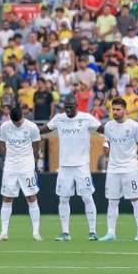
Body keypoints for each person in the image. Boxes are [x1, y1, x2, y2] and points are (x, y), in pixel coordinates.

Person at [43, 95, 100, 241]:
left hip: (82, 166)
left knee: (87, 197)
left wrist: (111, 140)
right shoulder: (59, 118)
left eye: (71, 107)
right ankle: (65, 233)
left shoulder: (86, 118)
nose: (68, 109)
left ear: (76, 105)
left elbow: (104, 129)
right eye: (66, 107)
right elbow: (44, 129)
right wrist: (28, 129)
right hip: (64, 167)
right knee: (63, 199)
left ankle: (93, 231)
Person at [100, 97, 138, 242]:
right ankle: (111, 233)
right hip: (113, 169)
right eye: (113, 109)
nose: (115, 112)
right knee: (112, 201)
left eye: (118, 109)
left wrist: (134, 159)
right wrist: (106, 148)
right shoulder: (108, 126)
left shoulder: (134, 126)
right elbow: (107, 142)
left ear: (125, 110)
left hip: (129, 168)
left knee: (135, 199)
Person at [0, 105, 41, 241]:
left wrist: (31, 160)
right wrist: (8, 155)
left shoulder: (32, 127)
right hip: (10, 166)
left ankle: (36, 232)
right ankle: (4, 232)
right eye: (15, 122)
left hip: (26, 165)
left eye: (19, 122)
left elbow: (36, 146)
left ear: (23, 116)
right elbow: (0, 142)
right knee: (7, 197)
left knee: (31, 196)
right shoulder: (5, 127)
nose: (17, 124)